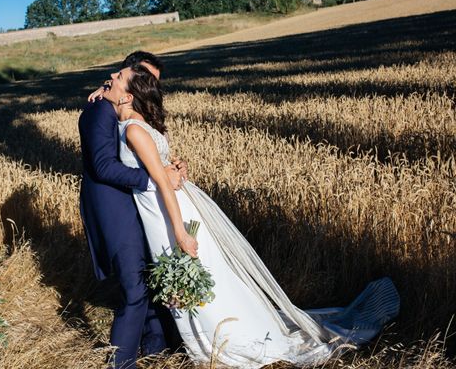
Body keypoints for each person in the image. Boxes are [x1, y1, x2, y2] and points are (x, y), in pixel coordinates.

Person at [98, 62, 400, 368]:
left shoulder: (134, 129)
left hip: (166, 214)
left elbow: (162, 182)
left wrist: (178, 232)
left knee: (200, 273)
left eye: (118, 77)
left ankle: (229, 340)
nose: (111, 77)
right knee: (211, 274)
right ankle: (214, 334)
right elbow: (163, 171)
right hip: (165, 208)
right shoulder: (135, 123)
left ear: (129, 95)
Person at [78, 51, 186, 368]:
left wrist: (169, 165)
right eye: (146, 79)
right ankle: (121, 363)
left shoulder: (124, 107)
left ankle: (156, 347)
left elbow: (146, 150)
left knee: (149, 278)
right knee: (134, 288)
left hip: (141, 203)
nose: (151, 87)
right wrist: (155, 177)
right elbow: (102, 167)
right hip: (116, 208)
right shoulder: (100, 111)